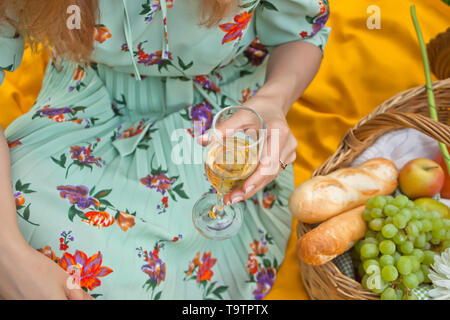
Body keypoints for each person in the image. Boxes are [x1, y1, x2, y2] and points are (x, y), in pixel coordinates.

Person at [0, 0, 330, 299]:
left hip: (219, 122)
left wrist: (273, 101)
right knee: (26, 230)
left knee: (124, 282)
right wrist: (9, 254)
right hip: (84, 106)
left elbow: (300, 31)